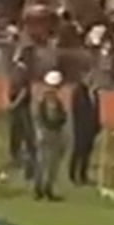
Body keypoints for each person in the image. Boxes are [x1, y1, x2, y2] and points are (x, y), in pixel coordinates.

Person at [32, 70, 68, 201]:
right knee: (50, 163)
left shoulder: (41, 96)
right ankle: (46, 189)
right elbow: (53, 118)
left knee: (42, 162)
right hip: (50, 132)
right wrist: (62, 118)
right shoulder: (51, 98)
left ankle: (39, 190)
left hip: (43, 132)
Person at [68, 70, 100, 186]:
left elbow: (96, 110)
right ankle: (72, 175)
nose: (91, 80)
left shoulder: (95, 93)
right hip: (81, 127)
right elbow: (80, 110)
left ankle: (83, 175)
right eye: (88, 77)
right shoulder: (79, 91)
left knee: (87, 152)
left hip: (92, 127)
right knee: (78, 151)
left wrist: (97, 125)